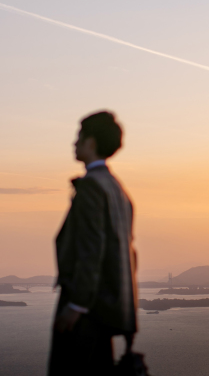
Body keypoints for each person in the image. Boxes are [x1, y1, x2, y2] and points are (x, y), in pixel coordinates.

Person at [48, 111, 138, 375]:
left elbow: (91, 251)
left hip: (87, 310)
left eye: (79, 136)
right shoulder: (119, 190)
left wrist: (76, 305)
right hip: (108, 310)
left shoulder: (92, 187)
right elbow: (130, 255)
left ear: (92, 143)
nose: (74, 143)